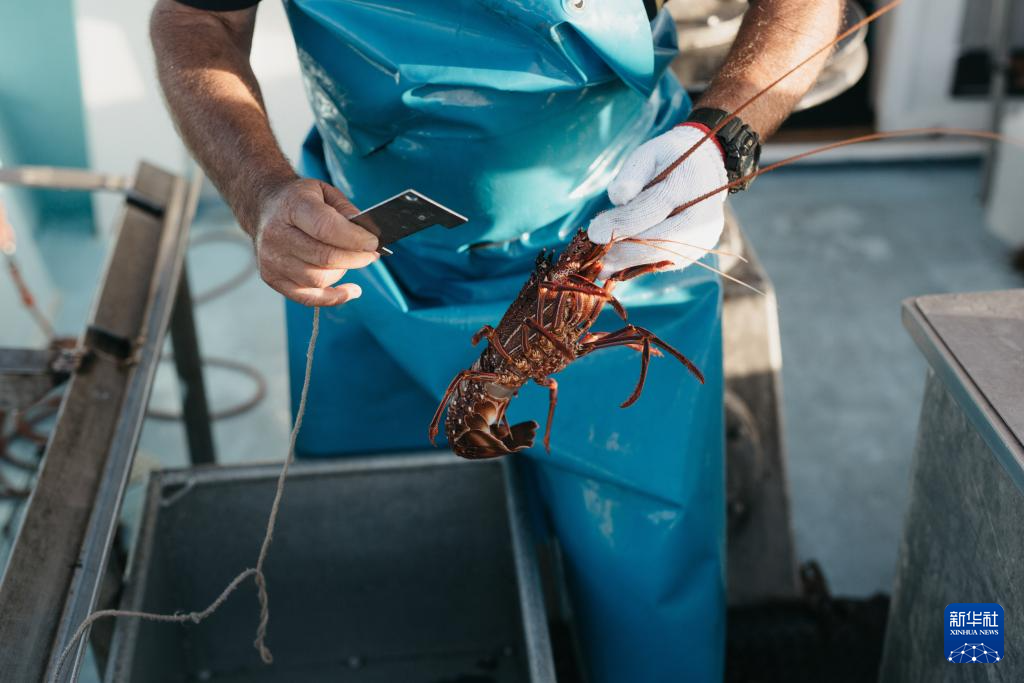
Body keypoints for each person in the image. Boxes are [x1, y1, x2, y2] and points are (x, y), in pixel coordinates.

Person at [151, 1, 839, 679]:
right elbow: (196, 16)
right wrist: (261, 190)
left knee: (649, 584)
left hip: (617, 226)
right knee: (384, 569)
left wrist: (723, 137)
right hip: (365, 247)